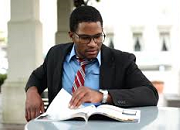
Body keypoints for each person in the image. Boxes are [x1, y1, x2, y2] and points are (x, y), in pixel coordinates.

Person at [25, 6, 159, 121]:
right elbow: (37, 77)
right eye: (85, 38)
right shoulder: (56, 54)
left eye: (98, 36)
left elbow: (150, 94)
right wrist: (32, 93)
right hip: (60, 125)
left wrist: (103, 96)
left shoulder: (121, 61)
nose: (93, 44)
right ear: (72, 36)